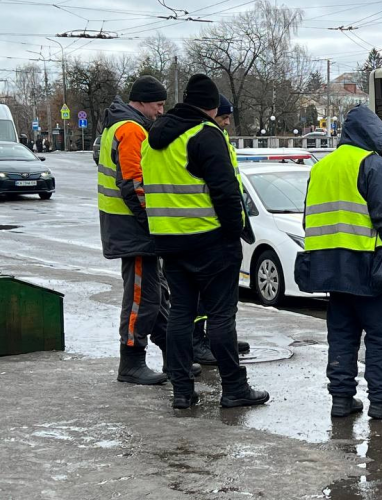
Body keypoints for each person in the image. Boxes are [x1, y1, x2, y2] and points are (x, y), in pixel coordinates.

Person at [142, 74, 267, 410]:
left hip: (168, 241)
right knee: (221, 316)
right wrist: (232, 233)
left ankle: (182, 391)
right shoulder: (206, 134)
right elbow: (226, 192)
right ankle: (234, 388)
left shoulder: (152, 139)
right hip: (210, 241)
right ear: (211, 107)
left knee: (181, 313)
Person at [296, 104, 382, 420]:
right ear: (373, 134)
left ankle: (341, 399)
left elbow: (309, 219)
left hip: (329, 269)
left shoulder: (321, 167)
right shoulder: (372, 164)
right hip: (369, 268)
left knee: (342, 335)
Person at [97, 76, 187, 386]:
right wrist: (153, 222)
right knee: (140, 296)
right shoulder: (131, 129)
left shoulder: (118, 125)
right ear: (143, 102)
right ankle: (132, 361)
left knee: (155, 292)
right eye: (159, 104)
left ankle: (174, 354)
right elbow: (134, 185)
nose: (161, 111)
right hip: (134, 230)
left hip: (127, 227)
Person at [191, 94, 250, 366]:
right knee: (204, 299)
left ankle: (221, 339)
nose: (227, 122)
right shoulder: (204, 137)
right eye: (223, 117)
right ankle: (200, 341)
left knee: (223, 297)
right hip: (207, 230)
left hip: (218, 226)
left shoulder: (219, 137)